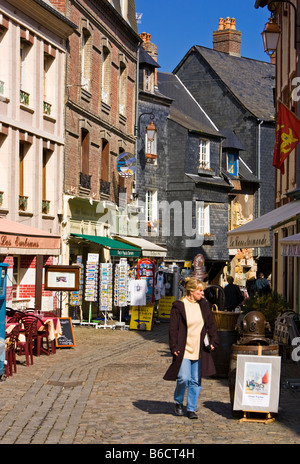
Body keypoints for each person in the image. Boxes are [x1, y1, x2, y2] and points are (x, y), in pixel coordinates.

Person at [163, 277, 219, 420]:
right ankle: (178, 401)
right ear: (191, 291)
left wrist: (213, 340)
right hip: (184, 348)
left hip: (199, 349)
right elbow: (173, 329)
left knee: (196, 380)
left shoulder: (204, 305)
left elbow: (211, 324)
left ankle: (191, 409)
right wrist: (174, 346)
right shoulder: (179, 306)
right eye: (200, 291)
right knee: (183, 378)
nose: (202, 294)